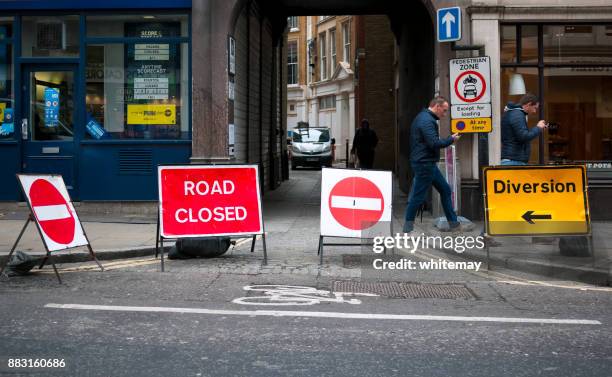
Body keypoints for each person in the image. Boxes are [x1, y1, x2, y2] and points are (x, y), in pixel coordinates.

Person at [403, 96, 461, 233]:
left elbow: (430, 141)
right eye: (444, 110)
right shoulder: (427, 121)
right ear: (437, 106)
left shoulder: (424, 117)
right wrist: (451, 139)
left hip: (427, 163)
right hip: (425, 164)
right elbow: (434, 143)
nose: (445, 114)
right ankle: (407, 227)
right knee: (417, 196)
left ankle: (454, 224)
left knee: (445, 190)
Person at [501, 93, 548, 166]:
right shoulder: (517, 115)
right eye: (535, 108)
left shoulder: (515, 113)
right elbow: (524, 136)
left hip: (513, 159)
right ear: (529, 104)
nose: (534, 111)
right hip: (514, 161)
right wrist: (538, 128)